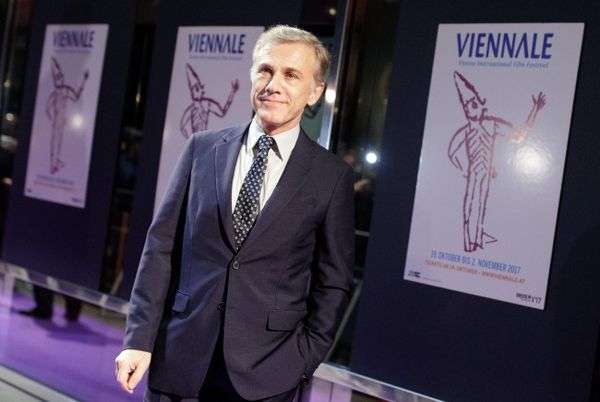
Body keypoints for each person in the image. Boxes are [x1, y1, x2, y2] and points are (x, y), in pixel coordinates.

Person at [114, 25, 355, 402]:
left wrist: (303, 360)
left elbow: (334, 281)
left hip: (267, 375)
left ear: (314, 92)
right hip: (179, 358)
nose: (273, 84)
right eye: (265, 70)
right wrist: (139, 340)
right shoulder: (201, 149)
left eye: (291, 75)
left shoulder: (331, 176)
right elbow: (160, 248)